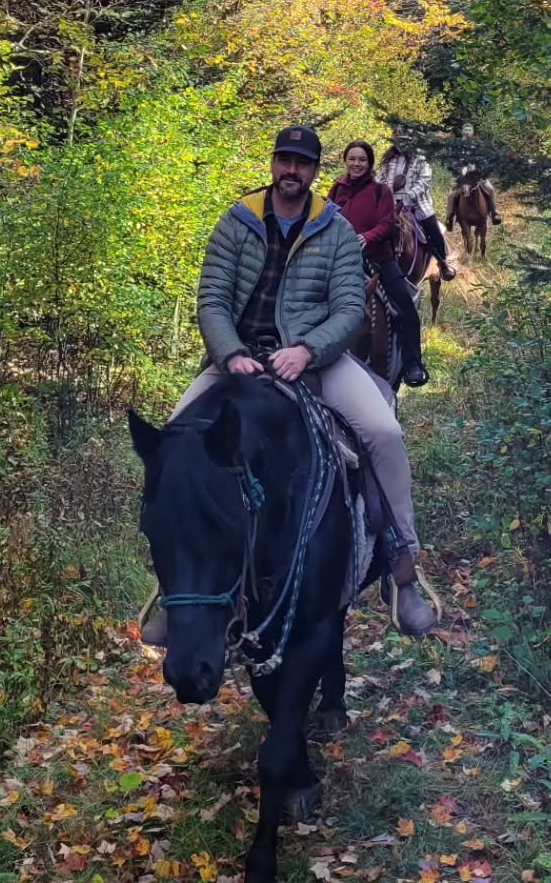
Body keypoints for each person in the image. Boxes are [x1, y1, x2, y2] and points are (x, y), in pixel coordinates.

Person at [140, 125, 438, 643]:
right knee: (171, 445)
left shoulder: (334, 228)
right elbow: (212, 299)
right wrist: (230, 352)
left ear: (316, 171)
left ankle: (401, 568)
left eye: (302, 162)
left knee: (383, 433)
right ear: (274, 163)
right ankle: (170, 587)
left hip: (316, 359)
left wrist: (308, 350)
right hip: (237, 357)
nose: (291, 170)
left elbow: (349, 309)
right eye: (285, 160)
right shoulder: (236, 221)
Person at [327, 140, 429, 388]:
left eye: (362, 159)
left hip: (378, 260)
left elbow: (386, 223)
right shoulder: (337, 189)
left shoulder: (380, 191)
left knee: (405, 306)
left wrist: (366, 237)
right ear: (345, 161)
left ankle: (413, 364)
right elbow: (326, 219)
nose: (357, 164)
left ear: (369, 163)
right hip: (342, 260)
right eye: (352, 159)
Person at [378, 131, 455, 280]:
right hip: (391, 204)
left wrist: (410, 195)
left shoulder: (420, 159)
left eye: (405, 140)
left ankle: (443, 263)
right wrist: (385, 192)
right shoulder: (388, 160)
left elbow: (424, 181)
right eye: (398, 140)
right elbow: (381, 179)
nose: (401, 143)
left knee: (433, 229)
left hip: (417, 204)